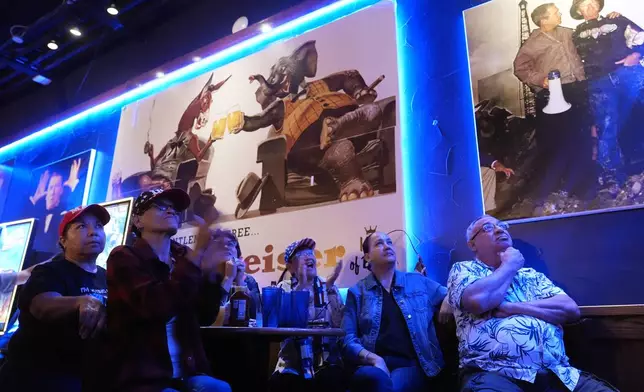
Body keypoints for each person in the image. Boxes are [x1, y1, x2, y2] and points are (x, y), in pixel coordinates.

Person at [448, 215, 618, 391]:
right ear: (472, 245)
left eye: (502, 225)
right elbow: (478, 301)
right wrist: (510, 266)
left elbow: (569, 309)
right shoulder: (464, 270)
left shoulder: (531, 276)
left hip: (558, 374)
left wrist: (512, 308)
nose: (500, 230)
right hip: (496, 373)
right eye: (488, 228)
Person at [106, 188, 232, 392]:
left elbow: (205, 317)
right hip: (143, 376)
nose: (171, 211)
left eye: (173, 208)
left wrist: (211, 275)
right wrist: (197, 256)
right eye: (160, 206)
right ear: (138, 220)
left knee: (220, 388)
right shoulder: (124, 257)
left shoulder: (182, 256)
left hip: (187, 372)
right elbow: (155, 306)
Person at [0, 204, 111, 392]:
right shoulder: (49, 272)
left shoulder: (106, 276)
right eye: (82, 227)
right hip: (36, 378)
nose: (93, 232)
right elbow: (42, 305)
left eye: (99, 225)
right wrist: (81, 301)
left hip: (84, 375)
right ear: (63, 241)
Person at [342, 231, 451, 392]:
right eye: (379, 243)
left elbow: (455, 293)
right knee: (372, 378)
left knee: (389, 386)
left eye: (389, 242)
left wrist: (449, 299)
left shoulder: (417, 282)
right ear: (367, 257)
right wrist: (374, 359)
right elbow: (347, 339)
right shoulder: (357, 292)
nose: (387, 246)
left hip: (411, 364)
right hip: (373, 365)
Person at [514, 3, 602, 202]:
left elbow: (590, 36)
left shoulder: (569, 33)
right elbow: (520, 68)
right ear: (543, 20)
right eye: (555, 13)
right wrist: (540, 80)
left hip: (577, 90)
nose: (560, 14)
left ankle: (585, 186)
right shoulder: (532, 43)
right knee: (560, 142)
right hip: (553, 94)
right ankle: (560, 188)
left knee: (583, 138)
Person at [572, 0, 644, 185]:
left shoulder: (618, 20)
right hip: (599, 83)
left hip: (629, 75)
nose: (591, 8)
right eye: (585, 5)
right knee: (607, 127)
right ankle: (614, 175)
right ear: (578, 10)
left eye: (594, 3)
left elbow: (640, 36)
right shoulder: (575, 34)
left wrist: (636, 54)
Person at [269, 238, 346, 392]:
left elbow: (339, 326)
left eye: (311, 252)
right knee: (284, 383)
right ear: (290, 266)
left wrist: (329, 292)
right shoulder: (282, 289)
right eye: (301, 254)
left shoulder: (328, 285)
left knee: (333, 379)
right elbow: (280, 327)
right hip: (292, 364)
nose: (309, 256)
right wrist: (301, 288)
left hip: (326, 361)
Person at [213, 230, 261, 319]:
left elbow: (255, 315)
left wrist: (240, 281)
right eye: (220, 245)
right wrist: (228, 278)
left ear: (237, 253)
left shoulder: (248, 280)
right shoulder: (207, 278)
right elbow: (209, 314)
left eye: (230, 244)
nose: (226, 247)